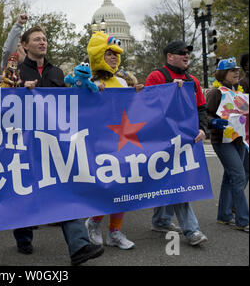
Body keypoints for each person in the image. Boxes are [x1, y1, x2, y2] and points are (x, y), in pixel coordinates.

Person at [14, 26, 104, 266]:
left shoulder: (57, 71)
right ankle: (23, 234)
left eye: (44, 39)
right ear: (24, 45)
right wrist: (21, 91)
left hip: (54, 140)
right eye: (36, 39)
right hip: (24, 140)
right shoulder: (16, 71)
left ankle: (79, 246)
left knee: (64, 188)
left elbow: (67, 103)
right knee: (24, 189)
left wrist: (87, 92)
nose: (42, 42)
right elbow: (4, 99)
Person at [145, 40, 208, 246]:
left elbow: (201, 109)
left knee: (177, 182)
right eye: (181, 52)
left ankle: (164, 221)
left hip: (184, 141)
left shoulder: (193, 81)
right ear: (169, 56)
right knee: (171, 181)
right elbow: (146, 106)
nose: (186, 55)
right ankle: (191, 230)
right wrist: (168, 91)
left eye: (188, 52)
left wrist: (203, 129)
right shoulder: (157, 77)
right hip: (161, 141)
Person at [83, 31, 138, 250]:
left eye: (116, 54)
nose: (114, 58)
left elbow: (131, 111)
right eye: (109, 53)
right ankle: (94, 223)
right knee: (105, 186)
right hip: (98, 142)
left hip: (122, 141)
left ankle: (115, 231)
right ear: (98, 56)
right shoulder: (88, 82)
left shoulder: (123, 83)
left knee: (122, 186)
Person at [206, 57, 249, 232]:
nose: (236, 72)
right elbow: (205, 115)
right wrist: (214, 122)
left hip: (239, 139)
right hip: (222, 141)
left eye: (237, 70)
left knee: (229, 177)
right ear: (223, 73)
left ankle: (224, 215)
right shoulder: (216, 92)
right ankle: (243, 220)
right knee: (238, 176)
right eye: (232, 70)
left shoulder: (240, 91)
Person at [239, 53, 249, 186]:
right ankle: (236, 203)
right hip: (246, 132)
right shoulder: (243, 83)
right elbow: (242, 106)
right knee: (245, 169)